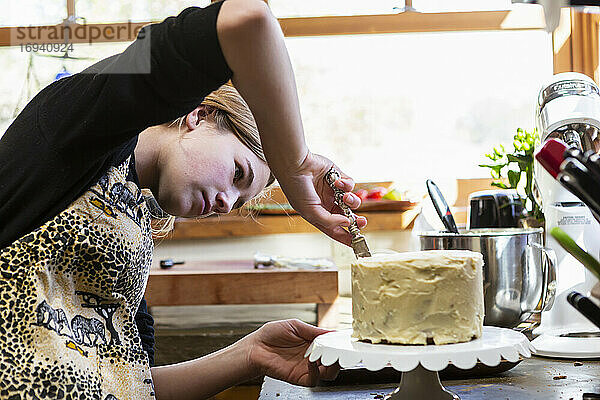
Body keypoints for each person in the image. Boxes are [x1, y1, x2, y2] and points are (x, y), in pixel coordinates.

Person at [0, 0, 367, 399]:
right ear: (198, 115)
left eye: (240, 202)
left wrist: (250, 354)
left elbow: (129, 384)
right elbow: (245, 19)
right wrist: (295, 162)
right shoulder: (74, 125)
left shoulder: (132, 248)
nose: (228, 205)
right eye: (238, 173)